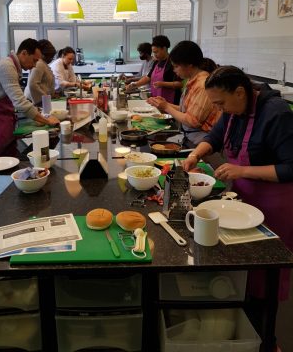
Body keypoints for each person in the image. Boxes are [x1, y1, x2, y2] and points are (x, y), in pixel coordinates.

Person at [182, 65, 293, 301]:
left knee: (265, 263)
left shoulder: (277, 113)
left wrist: (242, 170)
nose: (219, 109)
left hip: (275, 201)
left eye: (221, 104)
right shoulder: (234, 109)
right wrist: (194, 155)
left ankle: (266, 319)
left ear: (240, 92)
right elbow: (214, 137)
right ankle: (242, 299)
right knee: (243, 257)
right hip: (244, 195)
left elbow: (290, 168)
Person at [0, 38, 59, 156]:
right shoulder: (7, 67)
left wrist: (37, 112)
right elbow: (20, 102)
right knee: (2, 158)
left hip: (4, 117)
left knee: (10, 155)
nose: (34, 65)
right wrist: (46, 120)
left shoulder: (13, 66)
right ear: (24, 53)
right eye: (34, 60)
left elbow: (17, 98)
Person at [148, 40, 221, 147]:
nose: (174, 70)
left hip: (201, 141)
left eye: (176, 66)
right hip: (190, 137)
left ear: (189, 65)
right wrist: (164, 104)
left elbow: (192, 121)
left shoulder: (202, 85)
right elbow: (186, 110)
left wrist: (167, 107)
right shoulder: (191, 81)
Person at [126, 35, 182, 104]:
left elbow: (179, 84)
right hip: (157, 99)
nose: (155, 55)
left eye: (156, 52)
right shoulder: (157, 62)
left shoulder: (173, 63)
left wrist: (163, 84)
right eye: (153, 52)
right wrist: (135, 84)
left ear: (164, 48)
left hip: (170, 101)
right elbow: (148, 77)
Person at [24, 39, 56, 105]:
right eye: (50, 57)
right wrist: (46, 99)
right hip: (36, 101)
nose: (50, 60)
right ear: (43, 55)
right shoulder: (39, 64)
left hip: (41, 100)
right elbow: (32, 85)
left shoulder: (43, 64)